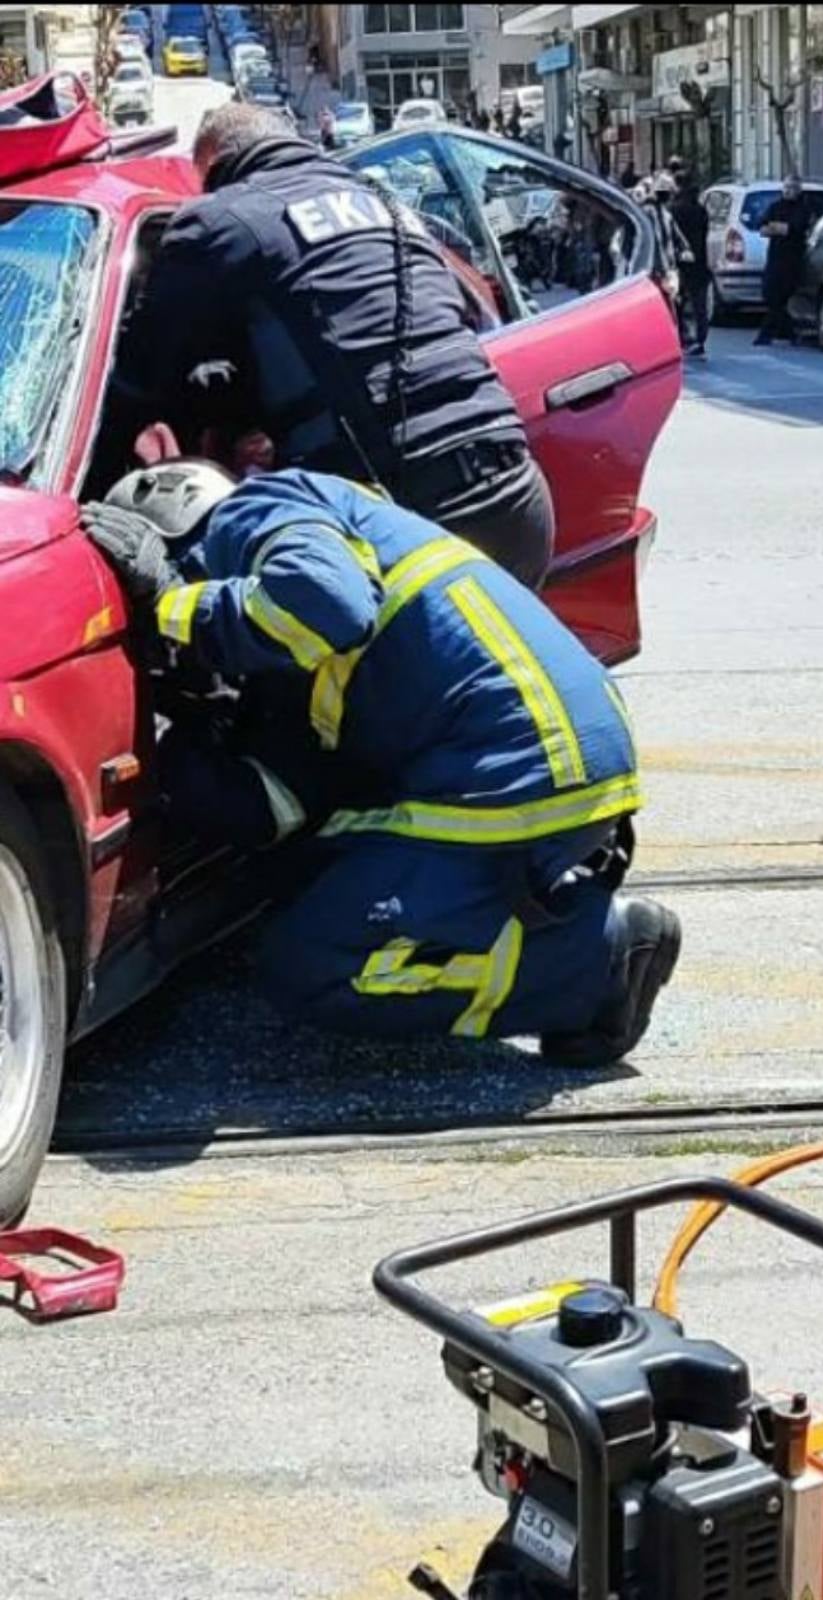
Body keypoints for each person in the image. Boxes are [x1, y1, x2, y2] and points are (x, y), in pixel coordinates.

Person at [83, 462, 681, 1061]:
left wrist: (169, 600)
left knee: (312, 965)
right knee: (307, 874)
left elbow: (329, 606)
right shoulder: (331, 553)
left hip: (517, 766)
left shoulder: (256, 512)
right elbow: (280, 807)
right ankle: (533, 910)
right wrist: (179, 745)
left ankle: (594, 963)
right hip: (546, 753)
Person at [109, 103, 555, 590]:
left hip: (406, 523)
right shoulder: (388, 204)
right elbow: (414, 328)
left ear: (214, 162)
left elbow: (140, 377)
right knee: (506, 663)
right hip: (520, 502)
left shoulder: (219, 220)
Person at [754, 174, 807, 347]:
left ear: (798, 190)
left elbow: (794, 229)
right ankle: (789, 332)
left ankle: (766, 334)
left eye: (792, 187)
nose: (788, 191)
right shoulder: (775, 206)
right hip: (775, 257)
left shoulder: (803, 207)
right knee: (770, 295)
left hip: (792, 260)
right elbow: (762, 228)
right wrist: (779, 228)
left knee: (780, 298)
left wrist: (776, 227)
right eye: (786, 187)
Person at [671, 178, 710, 358]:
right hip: (699, 263)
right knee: (699, 305)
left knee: (678, 302)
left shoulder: (675, 211)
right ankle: (700, 340)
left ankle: (680, 337)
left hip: (679, 263)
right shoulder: (702, 211)